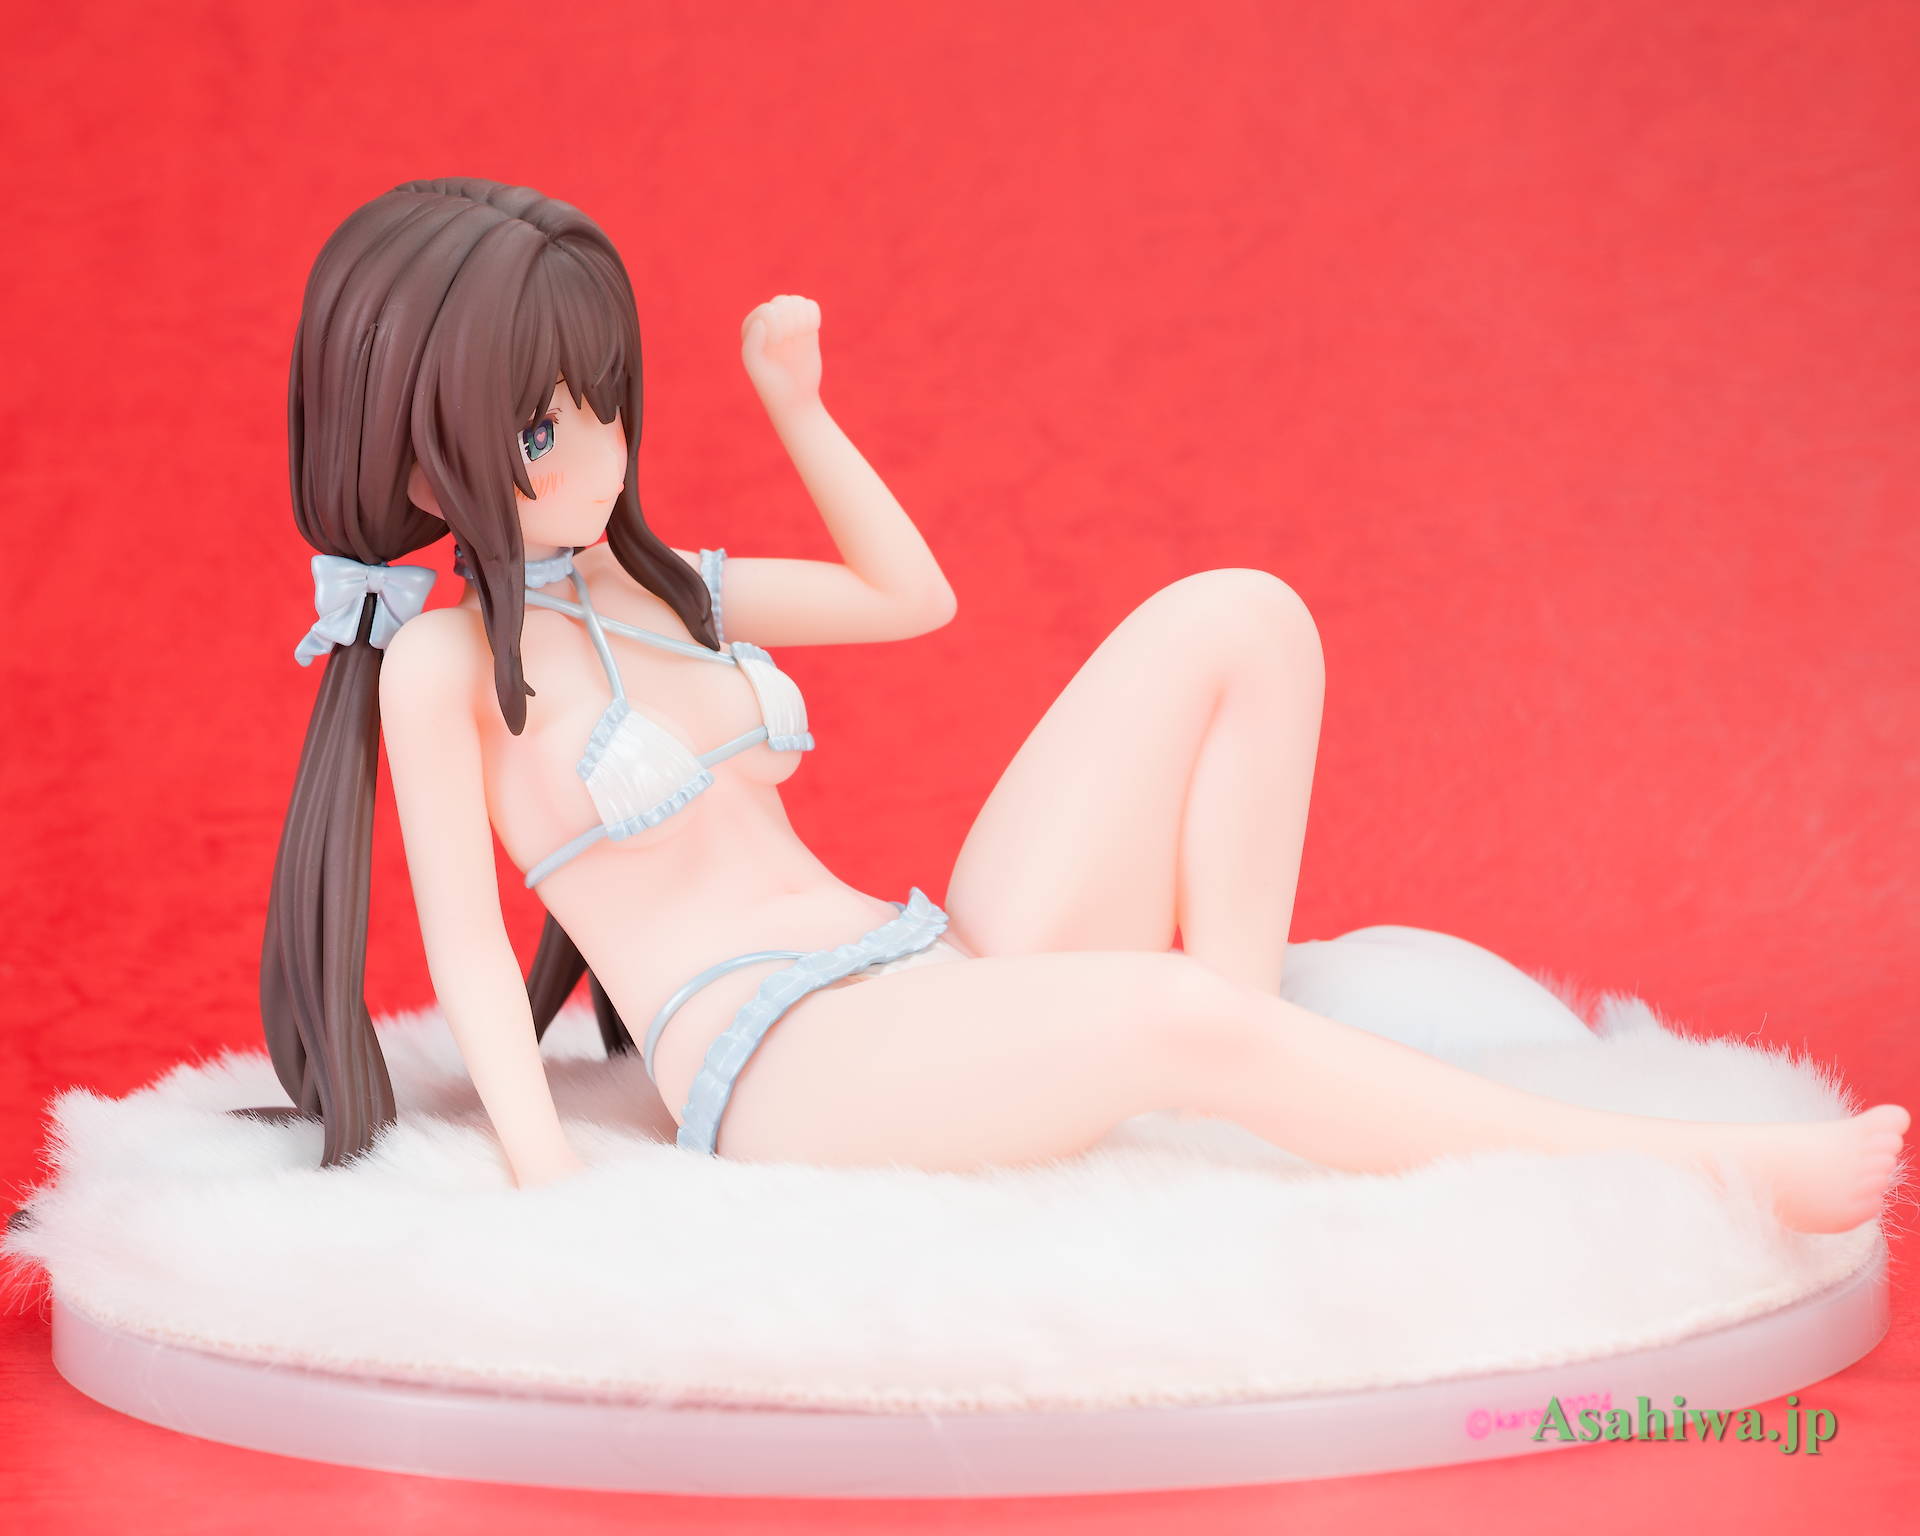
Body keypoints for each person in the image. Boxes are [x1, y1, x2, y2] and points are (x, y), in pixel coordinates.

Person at [257, 176, 1905, 1234]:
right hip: (784, 1071)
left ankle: (1234, 1080)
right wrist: (547, 1189)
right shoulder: (444, 667)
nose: (599, 456)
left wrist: (797, 407)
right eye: (540, 432)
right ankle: (1698, 1173)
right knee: (1167, 1015)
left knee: (1240, 618)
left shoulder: (665, 583)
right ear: (414, 448)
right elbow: (468, 951)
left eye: (607, 404)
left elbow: (912, 599)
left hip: (916, 967)